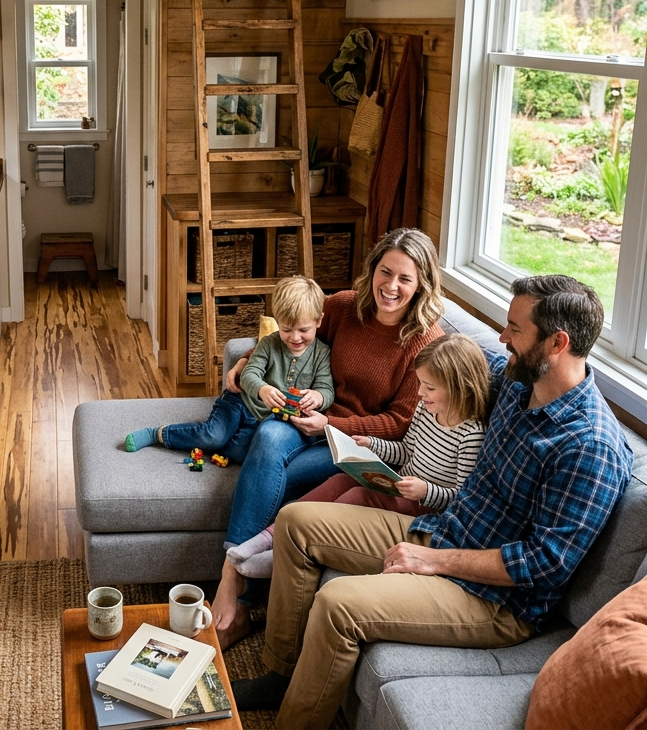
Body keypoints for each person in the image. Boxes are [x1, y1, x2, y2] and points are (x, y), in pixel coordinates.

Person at [233, 275, 634, 730]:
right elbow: (442, 361)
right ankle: (281, 672)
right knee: (296, 522)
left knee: (337, 603)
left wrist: (435, 561)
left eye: (515, 330)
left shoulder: (588, 445)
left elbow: (543, 564)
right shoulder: (516, 382)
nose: (502, 338)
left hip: (496, 600)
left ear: (558, 342)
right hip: (447, 529)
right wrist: (249, 367)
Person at [213, 227, 445, 645]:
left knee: (276, 474)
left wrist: (332, 425)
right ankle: (232, 571)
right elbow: (286, 339)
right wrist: (245, 363)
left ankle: (241, 599)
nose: (391, 286)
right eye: (385, 271)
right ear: (372, 269)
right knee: (267, 435)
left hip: (354, 445)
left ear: (422, 284)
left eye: (405, 279)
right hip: (301, 423)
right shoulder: (340, 308)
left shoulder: (425, 342)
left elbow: (400, 423)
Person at [227, 332, 489, 578]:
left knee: (357, 495)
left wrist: (425, 491)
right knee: (339, 482)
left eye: (429, 387)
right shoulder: (426, 410)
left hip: (425, 506)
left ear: (460, 388)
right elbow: (407, 450)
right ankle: (266, 537)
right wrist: (371, 444)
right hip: (402, 485)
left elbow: (461, 497)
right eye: (420, 384)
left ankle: (284, 551)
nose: (420, 393)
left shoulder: (470, 435)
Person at [125, 277, 333, 464]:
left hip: (266, 419)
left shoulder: (322, 353)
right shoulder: (269, 344)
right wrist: (262, 389)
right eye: (286, 329)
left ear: (319, 321)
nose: (295, 338)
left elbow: (327, 389)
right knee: (213, 436)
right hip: (241, 401)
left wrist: (318, 396)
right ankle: (159, 434)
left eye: (304, 330)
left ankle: (209, 436)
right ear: (278, 322)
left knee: (239, 453)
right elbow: (250, 373)